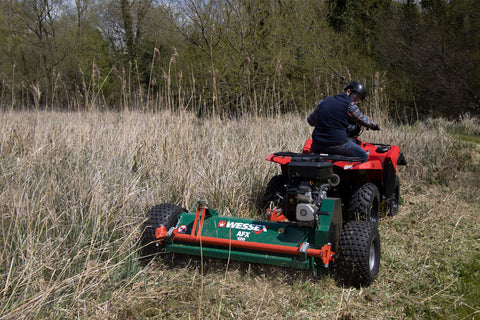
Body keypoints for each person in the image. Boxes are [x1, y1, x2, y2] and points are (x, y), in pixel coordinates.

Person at [307, 81, 379, 161]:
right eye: (356, 97)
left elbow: (310, 121)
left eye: (359, 100)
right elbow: (362, 119)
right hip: (337, 145)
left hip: (317, 145)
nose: (356, 101)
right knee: (363, 156)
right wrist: (374, 126)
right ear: (348, 91)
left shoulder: (323, 101)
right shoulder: (350, 105)